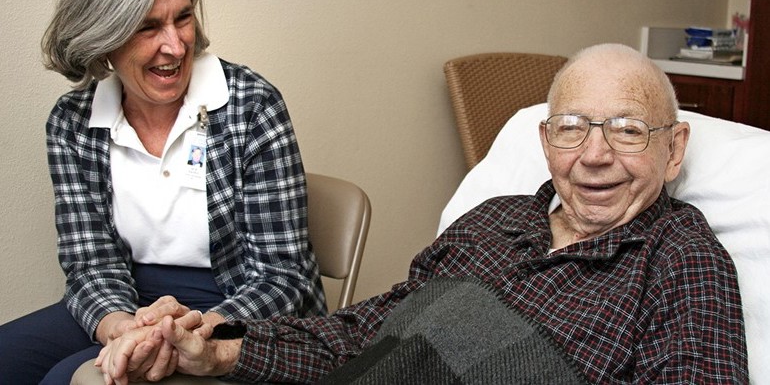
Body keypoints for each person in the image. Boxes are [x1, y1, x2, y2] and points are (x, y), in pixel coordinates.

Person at [90, 43, 749, 384]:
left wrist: (470, 328)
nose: (595, 156)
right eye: (572, 128)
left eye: (628, 130)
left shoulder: (682, 257)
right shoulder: (492, 220)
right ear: (547, 144)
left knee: (457, 311)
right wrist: (217, 349)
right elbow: (359, 336)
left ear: (673, 150)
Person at [0, 0, 327, 384]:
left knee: (67, 379)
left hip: (236, 299)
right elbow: (90, 262)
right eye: (147, 26)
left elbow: (283, 277)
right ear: (104, 37)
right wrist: (122, 327)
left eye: (183, 18)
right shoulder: (73, 123)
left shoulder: (253, 106)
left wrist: (190, 334)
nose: (175, 46)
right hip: (126, 296)